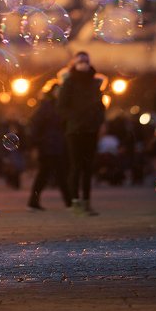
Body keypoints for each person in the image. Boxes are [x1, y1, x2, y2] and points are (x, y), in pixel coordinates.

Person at [57, 51, 105, 215]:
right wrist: (75, 118)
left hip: (91, 129)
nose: (83, 64)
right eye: (80, 61)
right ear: (74, 63)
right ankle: (75, 202)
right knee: (76, 166)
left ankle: (87, 202)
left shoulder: (94, 82)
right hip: (75, 130)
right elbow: (61, 107)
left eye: (86, 60)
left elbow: (101, 105)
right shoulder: (69, 82)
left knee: (88, 167)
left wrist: (98, 120)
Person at [27, 82, 71, 210]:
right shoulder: (46, 107)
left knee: (51, 175)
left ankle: (33, 202)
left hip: (57, 146)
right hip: (47, 147)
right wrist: (36, 144)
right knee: (52, 175)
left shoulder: (62, 106)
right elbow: (35, 126)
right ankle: (69, 202)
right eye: (57, 90)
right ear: (52, 92)